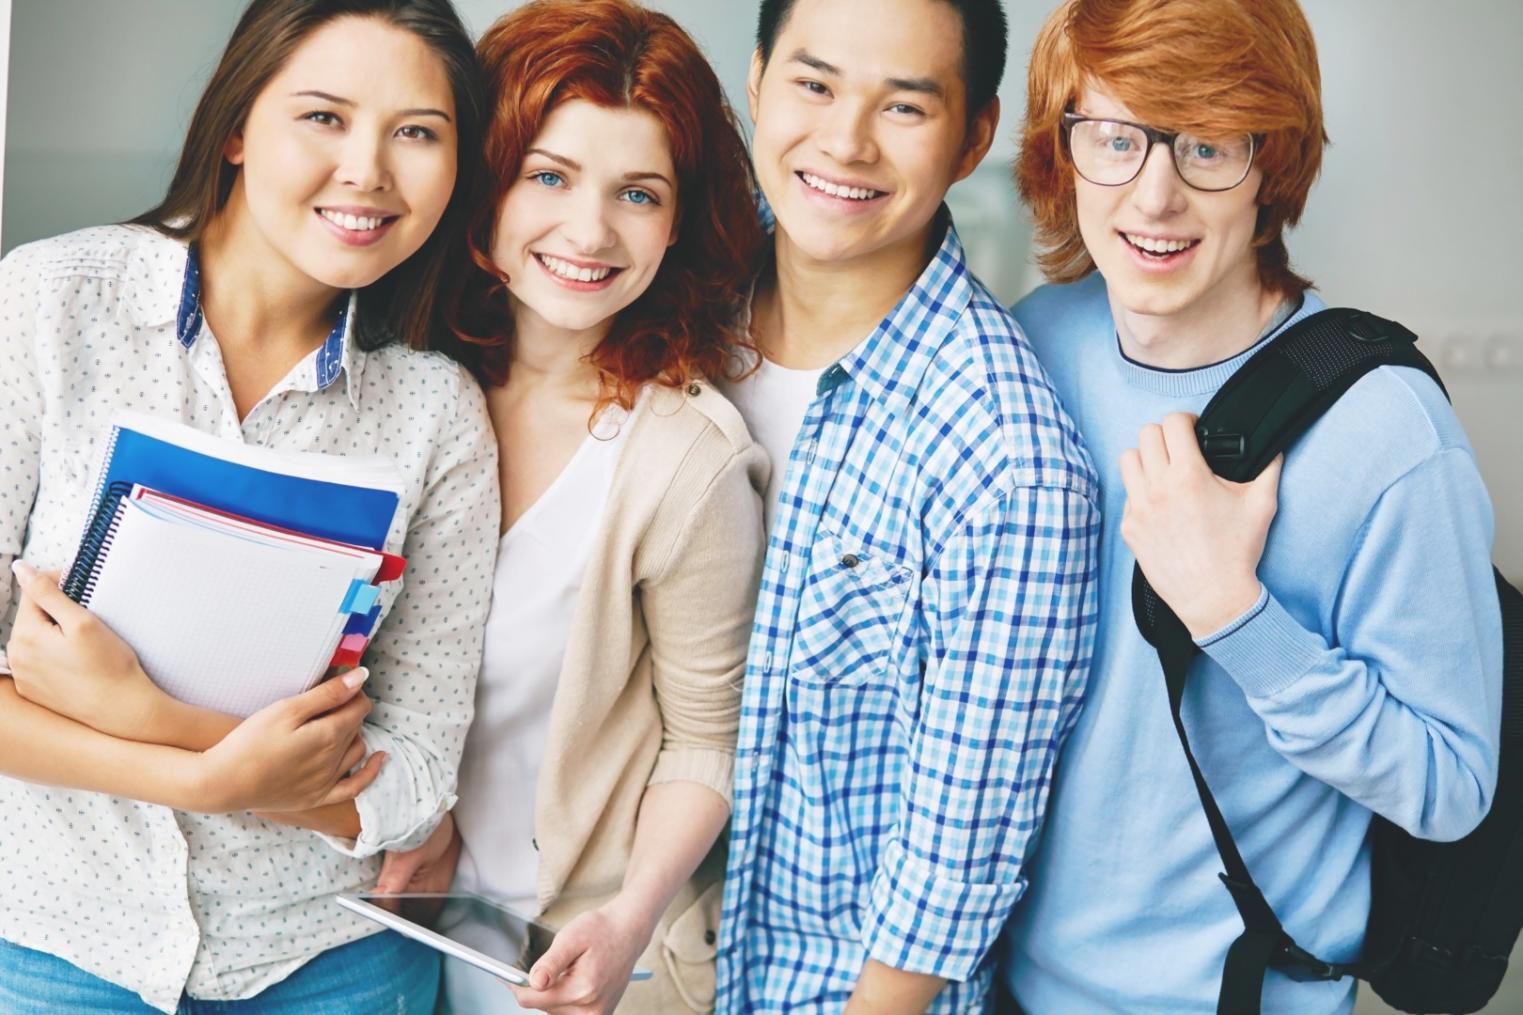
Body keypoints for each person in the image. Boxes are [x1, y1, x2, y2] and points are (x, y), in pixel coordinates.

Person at [997, 1, 1503, 1011]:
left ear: (1269, 162)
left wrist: (1233, 615)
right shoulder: (1027, 346)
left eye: (1205, 146)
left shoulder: (1386, 436)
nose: (1154, 195)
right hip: (999, 981)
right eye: (1113, 138)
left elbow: (1450, 787)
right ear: (1064, 149)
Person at [0, 1, 499, 1011]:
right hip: (57, 947)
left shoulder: (435, 413)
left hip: (332, 962)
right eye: (323, 116)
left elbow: (416, 785)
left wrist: (146, 716)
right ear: (235, 127)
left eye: (417, 132)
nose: (368, 168)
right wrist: (212, 777)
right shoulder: (50, 302)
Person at [370, 2, 768, 1013]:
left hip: (569, 960)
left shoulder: (685, 457)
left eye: (638, 193)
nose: (589, 232)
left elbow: (705, 740)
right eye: (547, 175)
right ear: (485, 180)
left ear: (679, 220)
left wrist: (630, 910)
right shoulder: (390, 383)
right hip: (367, 940)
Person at [713, 0, 1103, 1010]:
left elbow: (949, 874)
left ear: (973, 134)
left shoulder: (1006, 460)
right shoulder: (667, 294)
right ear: (755, 79)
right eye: (813, 83)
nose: (843, 141)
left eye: (904, 107)